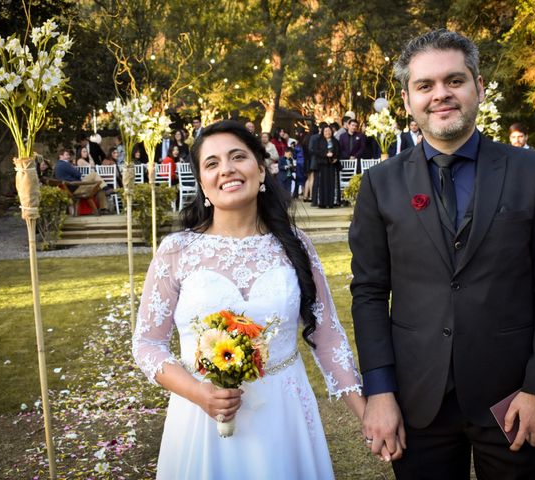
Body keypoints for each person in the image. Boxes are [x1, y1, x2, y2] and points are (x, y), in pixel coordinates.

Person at [349, 29, 535, 479]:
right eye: (425, 85)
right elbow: (370, 293)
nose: (441, 95)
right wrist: (379, 390)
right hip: (418, 400)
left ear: (479, 86)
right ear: (408, 99)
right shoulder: (380, 185)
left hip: (512, 397)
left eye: (454, 80)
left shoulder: (532, 172)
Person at [132, 120, 364, 479]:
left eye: (237, 157)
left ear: (261, 169)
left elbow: (327, 335)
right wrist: (199, 392)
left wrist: (366, 413)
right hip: (202, 417)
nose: (226, 169)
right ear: (203, 184)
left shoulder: (295, 245)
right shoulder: (176, 251)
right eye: (212, 163)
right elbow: (148, 344)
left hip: (283, 415)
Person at [54, 148, 110, 214]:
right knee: (94, 175)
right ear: (60, 156)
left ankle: (103, 209)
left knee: (100, 189)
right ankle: (106, 188)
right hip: (76, 187)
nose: (69, 156)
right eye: (66, 155)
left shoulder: (58, 165)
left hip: (72, 187)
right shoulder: (64, 164)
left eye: (69, 155)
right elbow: (78, 174)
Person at [312, 125, 341, 208]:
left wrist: (336, 157)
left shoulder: (335, 141)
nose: (327, 133)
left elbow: (339, 151)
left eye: (329, 131)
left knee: (332, 183)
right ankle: (322, 202)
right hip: (322, 165)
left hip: (333, 165)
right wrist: (325, 154)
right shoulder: (318, 141)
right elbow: (315, 151)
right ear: (322, 132)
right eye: (325, 131)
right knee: (322, 183)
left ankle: (332, 202)